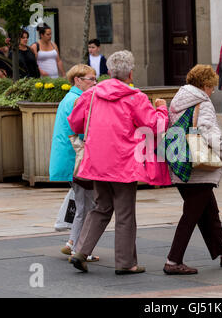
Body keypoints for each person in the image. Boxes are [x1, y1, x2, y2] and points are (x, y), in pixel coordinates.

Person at [67, 50, 171, 274]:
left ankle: (80, 251)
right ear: (130, 74)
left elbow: (75, 124)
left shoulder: (92, 94)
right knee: (124, 213)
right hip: (124, 163)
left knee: (101, 207)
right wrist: (162, 109)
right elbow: (155, 126)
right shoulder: (135, 97)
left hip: (96, 161)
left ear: (109, 72)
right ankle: (125, 263)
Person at [163, 64, 222, 275]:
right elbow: (209, 134)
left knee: (210, 213)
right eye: (212, 87)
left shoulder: (178, 100)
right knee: (191, 216)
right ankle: (173, 261)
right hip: (200, 169)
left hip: (181, 166)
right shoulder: (203, 103)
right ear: (205, 85)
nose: (212, 91)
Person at [49, 64, 99, 262]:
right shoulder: (78, 99)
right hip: (76, 160)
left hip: (69, 159)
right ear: (77, 80)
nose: (94, 83)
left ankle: (73, 243)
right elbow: (82, 131)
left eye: (95, 79)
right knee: (86, 206)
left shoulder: (69, 98)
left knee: (84, 204)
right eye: (90, 79)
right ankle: (78, 248)